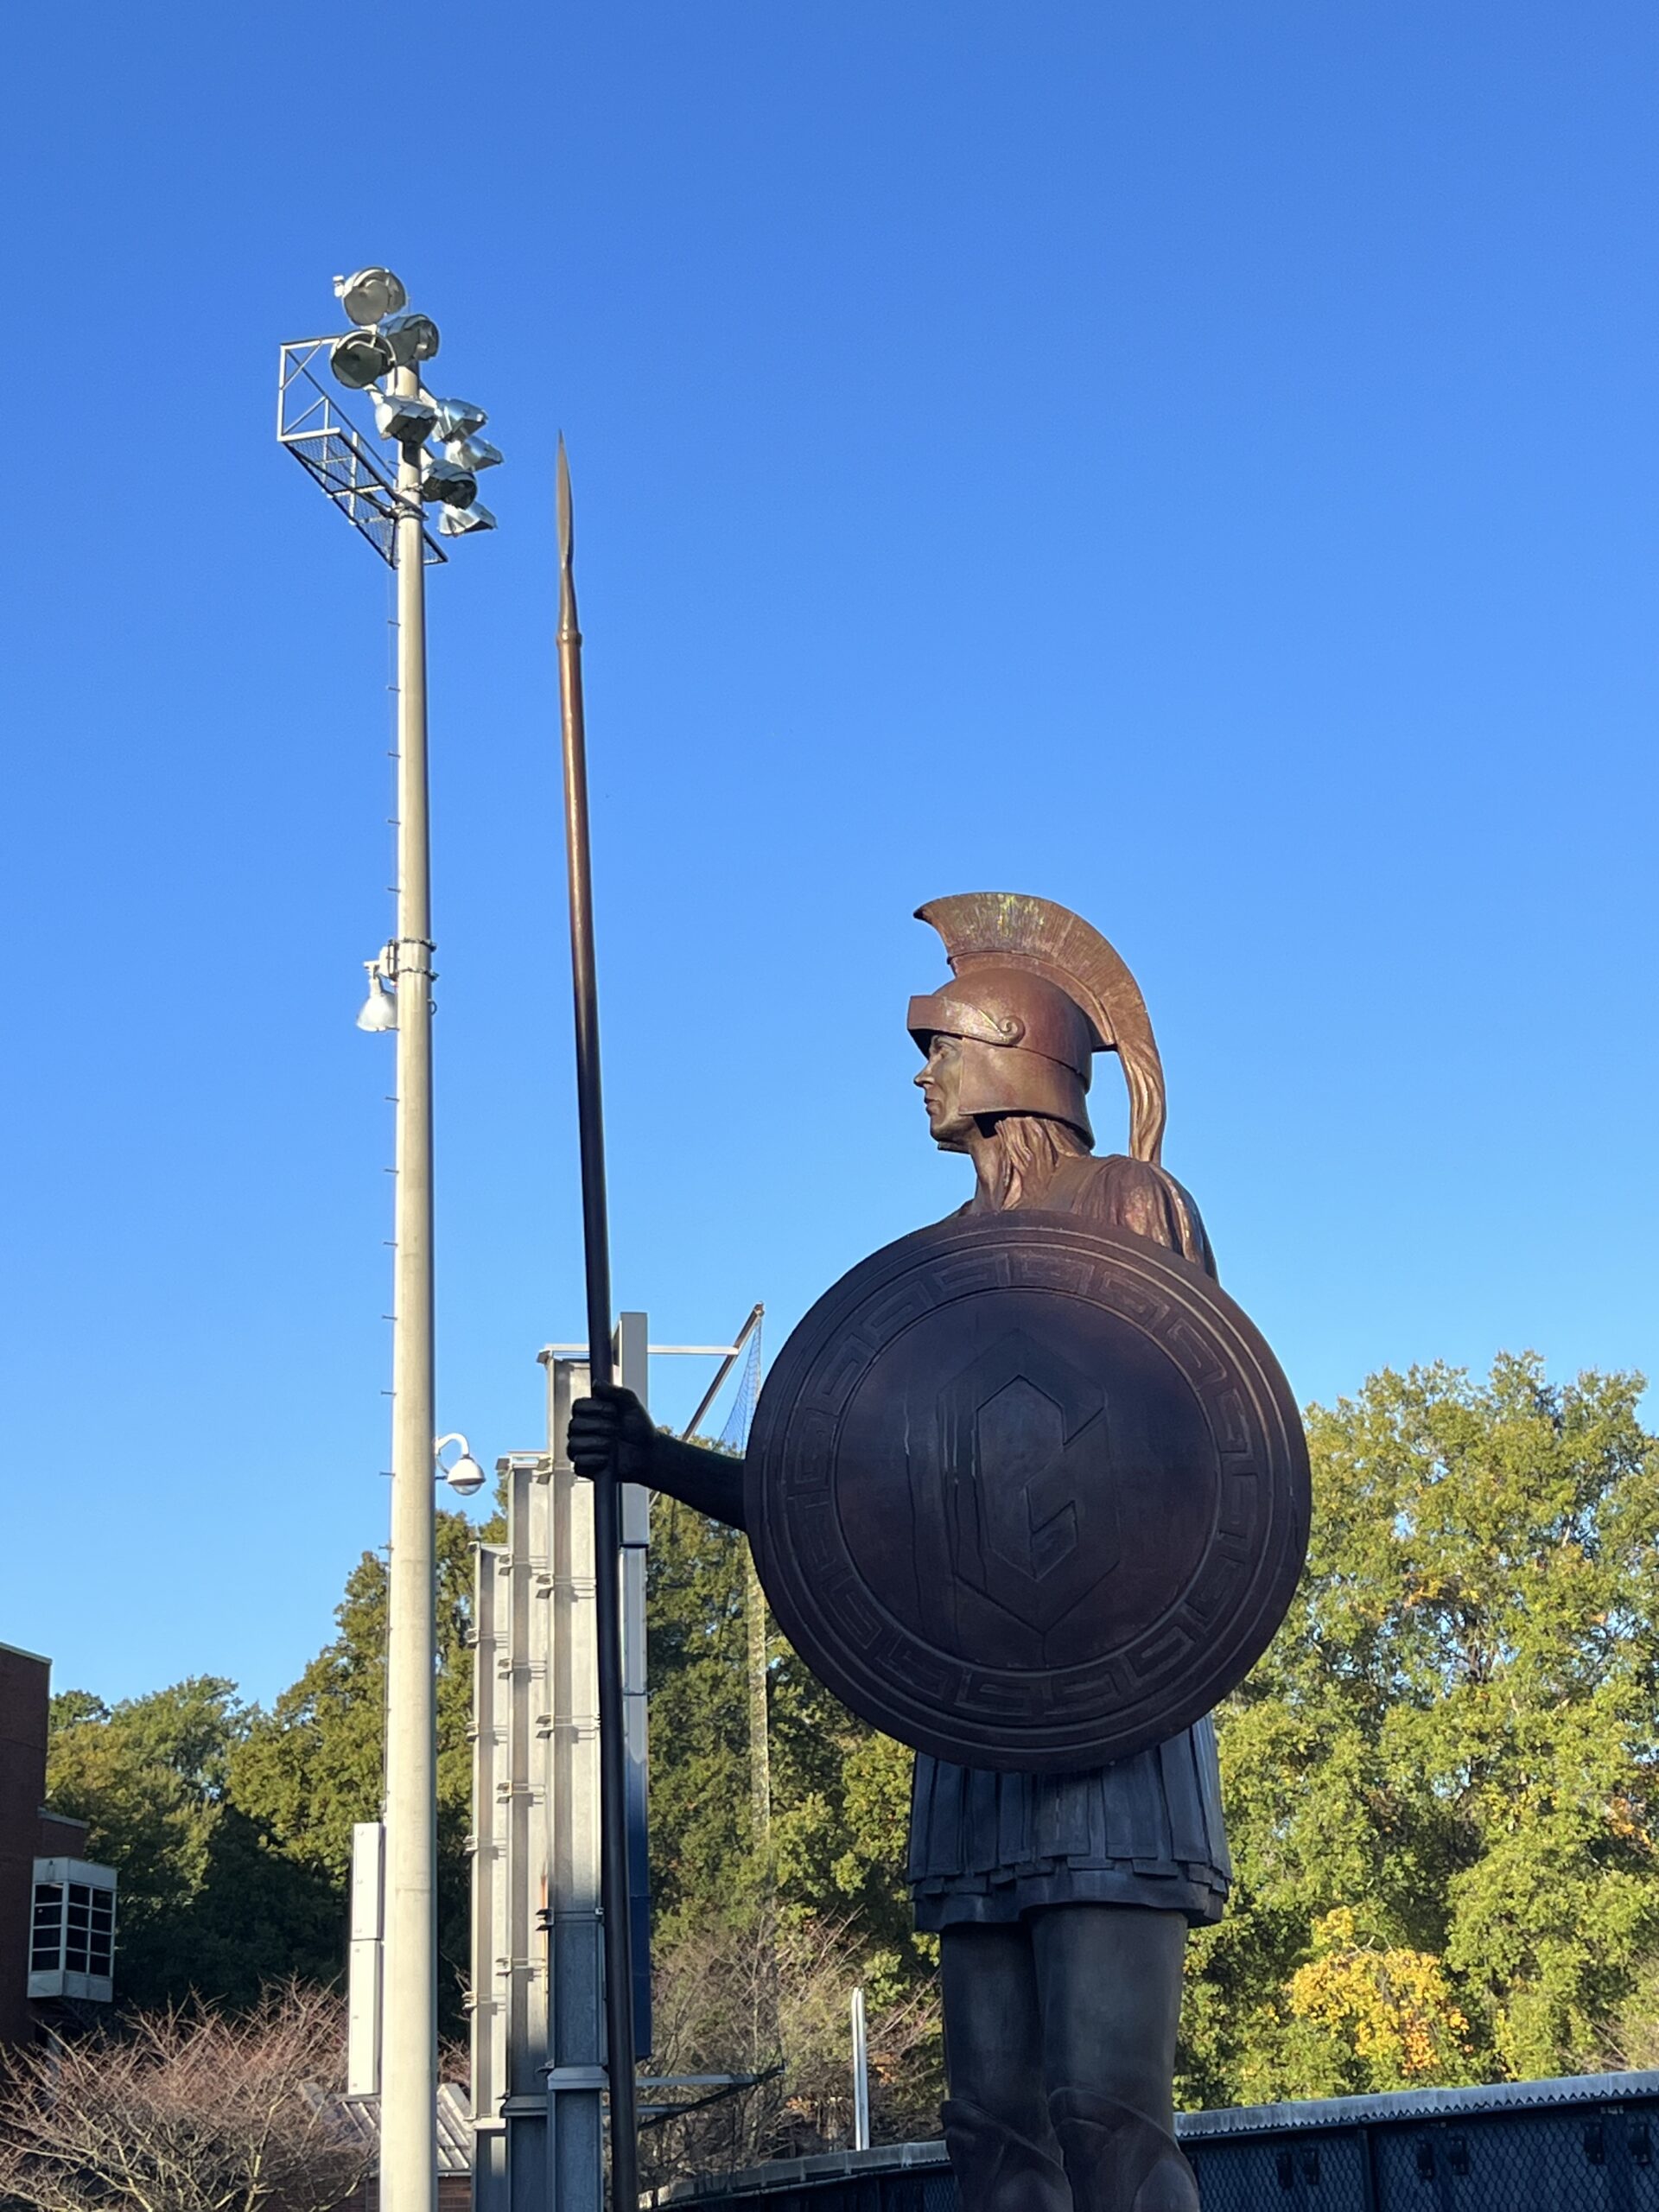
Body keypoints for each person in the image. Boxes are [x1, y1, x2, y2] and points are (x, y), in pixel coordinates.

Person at [568, 894, 1227, 2212]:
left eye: (938, 1047)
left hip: (1106, 1706)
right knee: (990, 2123)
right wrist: (655, 1459)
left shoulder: (1130, 1205)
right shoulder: (927, 1277)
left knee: (1109, 2110)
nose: (920, 1078)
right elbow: (834, 1511)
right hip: (972, 1728)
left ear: (1008, 1054)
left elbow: (1193, 1438)